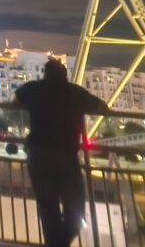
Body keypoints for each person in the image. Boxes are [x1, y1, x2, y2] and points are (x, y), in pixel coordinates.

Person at [14, 58, 109, 247]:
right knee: (76, 213)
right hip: (66, 157)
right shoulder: (75, 93)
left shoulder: (34, 89)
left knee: (48, 212)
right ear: (65, 74)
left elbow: (15, 102)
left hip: (38, 155)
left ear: (45, 73)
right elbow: (102, 108)